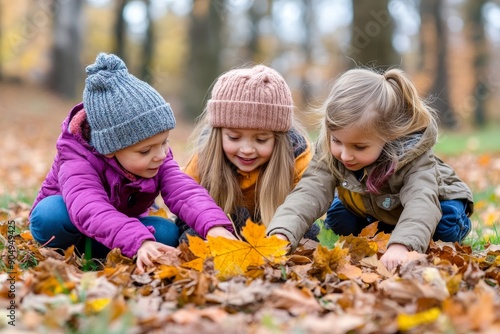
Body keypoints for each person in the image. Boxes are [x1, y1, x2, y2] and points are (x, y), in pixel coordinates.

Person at [29, 53, 234, 273]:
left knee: (167, 233)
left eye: (165, 142)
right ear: (109, 150)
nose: (161, 155)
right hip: (70, 228)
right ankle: (67, 253)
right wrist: (139, 242)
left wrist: (214, 226)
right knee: (50, 214)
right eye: (145, 150)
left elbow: (184, 192)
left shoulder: (158, 156)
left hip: (114, 231)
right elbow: (90, 210)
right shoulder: (77, 159)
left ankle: (112, 252)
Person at [266, 67, 474, 270]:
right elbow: (309, 192)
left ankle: (404, 234)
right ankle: (389, 231)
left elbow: (422, 201)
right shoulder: (330, 151)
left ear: (389, 136)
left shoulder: (414, 157)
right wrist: (281, 234)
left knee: (447, 223)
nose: (345, 155)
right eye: (337, 140)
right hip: (375, 207)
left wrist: (403, 246)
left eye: (359, 147)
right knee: (339, 220)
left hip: (436, 200)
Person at [176, 64, 317, 241]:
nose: (247, 150)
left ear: (278, 138)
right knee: (189, 238)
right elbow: (186, 201)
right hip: (219, 225)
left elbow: (306, 204)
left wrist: (283, 233)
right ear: (218, 135)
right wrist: (214, 226)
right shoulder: (206, 157)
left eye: (261, 140)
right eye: (234, 138)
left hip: (276, 225)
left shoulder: (296, 157)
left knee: (309, 235)